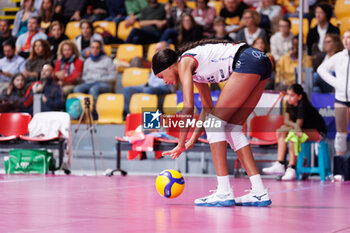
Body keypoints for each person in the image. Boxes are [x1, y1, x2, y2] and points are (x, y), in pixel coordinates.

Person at [152, 39, 273, 207]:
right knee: (232, 129)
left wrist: (179, 144)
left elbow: (188, 107)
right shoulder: (195, 70)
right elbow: (206, 108)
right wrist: (192, 139)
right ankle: (260, 192)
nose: (163, 81)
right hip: (262, 61)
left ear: (169, 66)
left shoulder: (184, 62)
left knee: (214, 124)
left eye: (161, 76)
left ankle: (223, 191)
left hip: (247, 61)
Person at [262, 84, 327, 180]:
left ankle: (292, 168)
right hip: (303, 130)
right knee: (281, 132)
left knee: (292, 135)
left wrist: (291, 127)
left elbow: (298, 126)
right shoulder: (289, 104)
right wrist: (290, 127)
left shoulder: (303, 104)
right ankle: (280, 164)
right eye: (288, 94)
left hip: (318, 132)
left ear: (299, 96)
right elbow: (287, 121)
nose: (289, 97)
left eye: (292, 95)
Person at [317, 30, 350, 178]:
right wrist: (336, 83)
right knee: (341, 134)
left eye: (349, 37)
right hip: (341, 99)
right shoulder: (339, 57)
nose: (346, 40)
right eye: (345, 37)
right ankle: (339, 171)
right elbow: (321, 69)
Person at [123, 42, 173, 115]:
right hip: (151, 86)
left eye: (158, 49)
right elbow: (152, 79)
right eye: (156, 49)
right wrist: (147, 85)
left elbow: (165, 82)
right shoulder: (155, 61)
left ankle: (154, 114)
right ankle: (128, 114)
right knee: (127, 89)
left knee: (149, 90)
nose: (156, 51)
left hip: (164, 87)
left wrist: (148, 87)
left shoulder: (171, 62)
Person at [73, 40, 116, 108]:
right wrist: (90, 78)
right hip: (89, 82)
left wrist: (100, 78)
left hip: (104, 84)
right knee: (77, 89)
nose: (95, 50)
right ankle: (79, 111)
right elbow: (84, 76)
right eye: (93, 47)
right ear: (90, 49)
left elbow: (113, 77)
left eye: (97, 47)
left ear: (100, 49)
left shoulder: (107, 60)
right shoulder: (87, 61)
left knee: (94, 89)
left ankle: (93, 112)